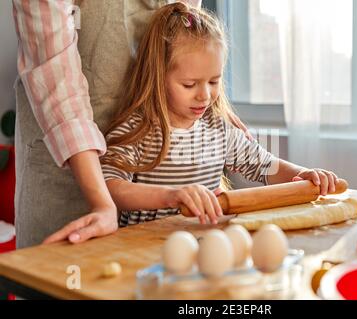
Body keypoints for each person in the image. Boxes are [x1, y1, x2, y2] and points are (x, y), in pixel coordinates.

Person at [73, 2, 339, 227]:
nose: (204, 95)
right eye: (189, 85)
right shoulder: (138, 129)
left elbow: (265, 165)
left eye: (214, 82)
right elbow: (110, 185)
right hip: (147, 251)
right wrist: (172, 195)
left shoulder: (218, 129)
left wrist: (303, 174)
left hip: (207, 248)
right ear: (158, 77)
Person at [12, 0, 250, 248]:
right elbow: (55, 78)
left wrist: (207, 100)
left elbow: (187, 26)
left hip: (153, 215)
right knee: (68, 277)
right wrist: (102, 201)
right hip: (64, 159)